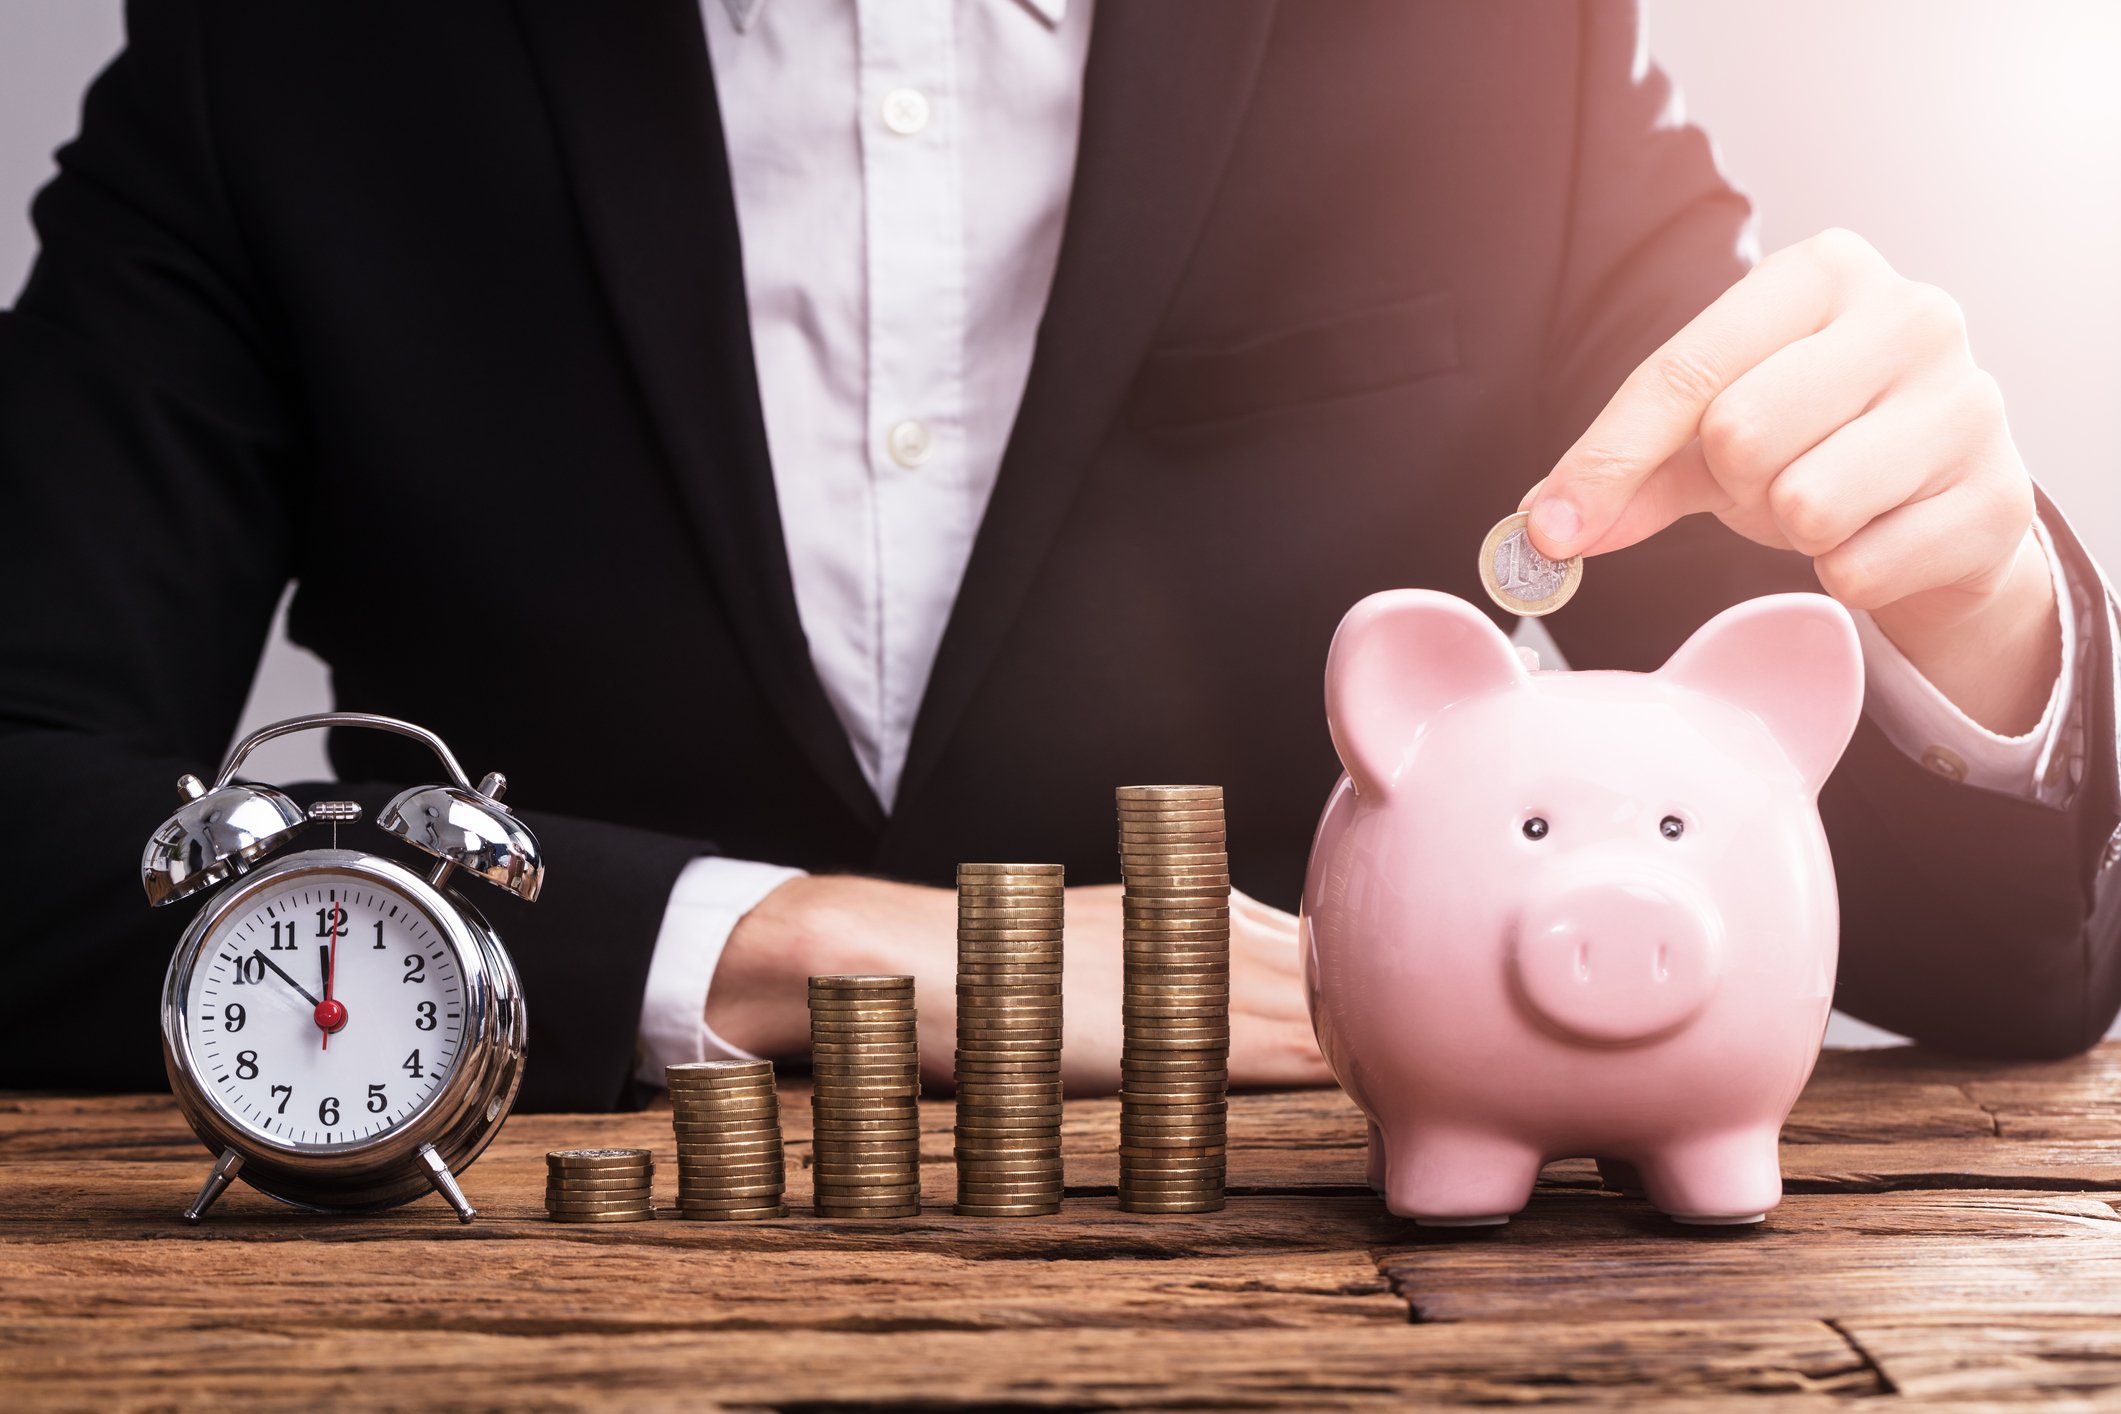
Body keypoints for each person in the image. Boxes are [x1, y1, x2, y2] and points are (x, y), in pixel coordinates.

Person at [1, 0, 2114, 1112]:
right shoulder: (284, 50)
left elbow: (1987, 967)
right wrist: (785, 948)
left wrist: (1965, 613)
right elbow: (20, 798)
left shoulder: (1484, 40)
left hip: (1325, 1292)